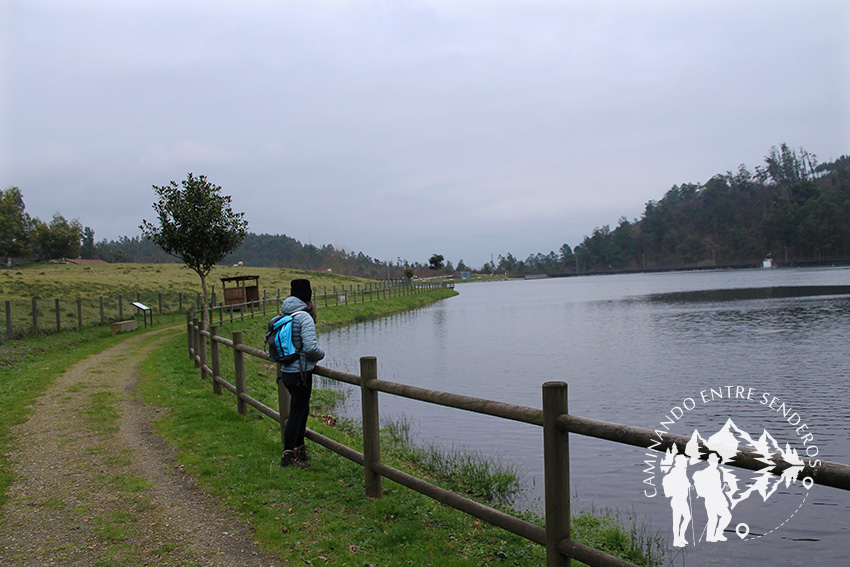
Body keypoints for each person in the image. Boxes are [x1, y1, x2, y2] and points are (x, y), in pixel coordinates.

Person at [277, 279, 324, 468]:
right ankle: (288, 455)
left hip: (287, 371)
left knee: (302, 410)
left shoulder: (285, 313)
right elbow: (311, 348)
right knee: (297, 413)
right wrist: (321, 355)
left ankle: (299, 448)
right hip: (301, 373)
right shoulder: (304, 317)